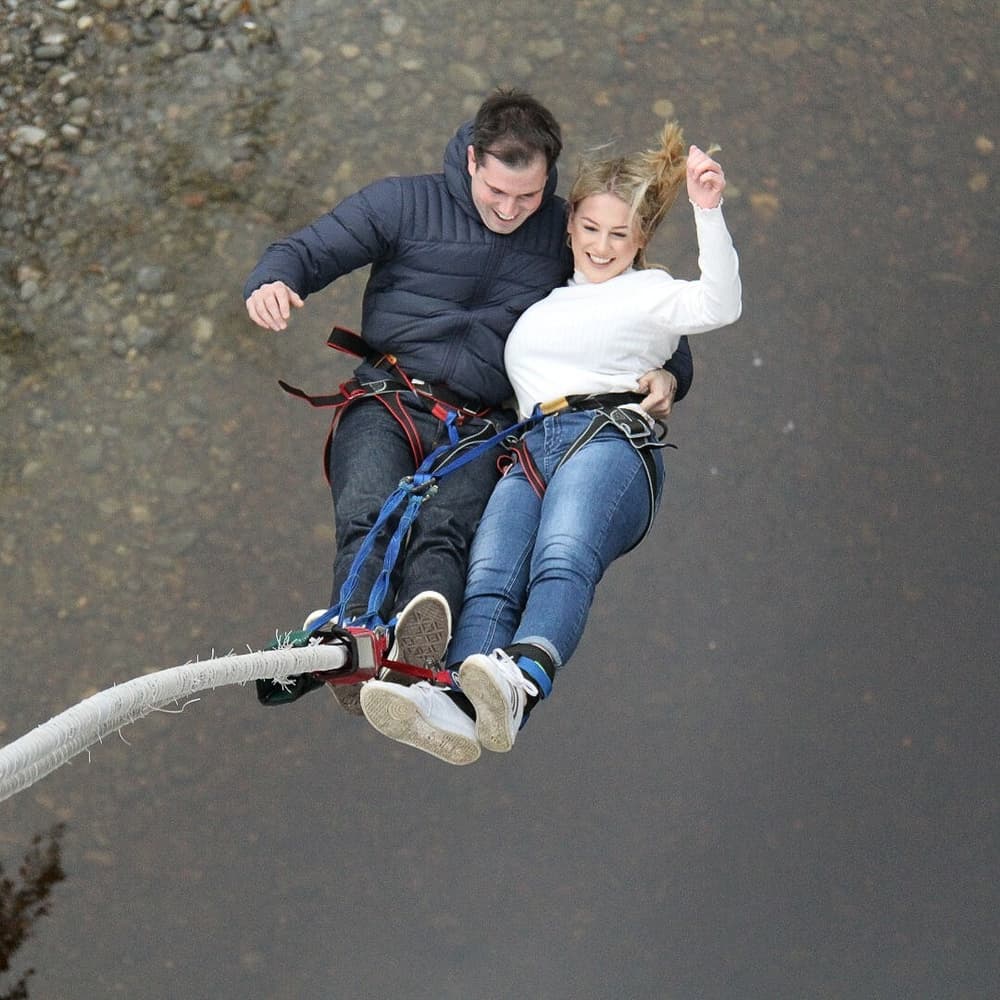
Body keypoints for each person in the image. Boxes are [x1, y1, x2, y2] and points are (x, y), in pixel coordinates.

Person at [244, 90, 694, 713]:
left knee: (447, 530)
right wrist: (274, 280)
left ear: (548, 182)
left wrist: (669, 372)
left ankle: (414, 649)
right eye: (497, 191)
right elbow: (309, 249)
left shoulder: (566, 231)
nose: (510, 210)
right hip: (391, 397)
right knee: (370, 508)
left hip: (484, 426)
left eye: (528, 197)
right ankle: (352, 629)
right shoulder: (404, 203)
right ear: (474, 160)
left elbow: (645, 310)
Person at [358, 122, 742, 763]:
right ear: (569, 228)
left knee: (562, 554)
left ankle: (523, 680)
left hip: (607, 437)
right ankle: (454, 698)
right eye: (590, 229)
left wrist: (708, 209)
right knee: (489, 575)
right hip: (529, 446)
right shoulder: (542, 304)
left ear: (641, 239)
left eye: (620, 234)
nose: (602, 245)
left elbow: (721, 303)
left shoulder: (651, 294)